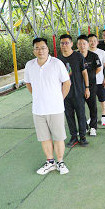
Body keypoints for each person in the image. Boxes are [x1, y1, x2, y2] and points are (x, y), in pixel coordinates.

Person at [24, 37, 70, 176]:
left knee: (58, 137)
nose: (40, 51)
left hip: (55, 109)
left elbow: (66, 83)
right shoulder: (30, 65)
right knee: (44, 138)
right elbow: (28, 83)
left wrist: (59, 99)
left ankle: (60, 162)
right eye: (37, 48)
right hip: (38, 110)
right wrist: (37, 97)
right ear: (33, 50)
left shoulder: (57, 63)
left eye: (43, 48)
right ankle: (50, 162)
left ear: (48, 49)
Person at [76, 35, 101, 136]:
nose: (82, 46)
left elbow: (99, 68)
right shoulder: (75, 56)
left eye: (84, 43)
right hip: (78, 86)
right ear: (77, 45)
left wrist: (91, 76)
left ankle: (93, 127)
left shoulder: (94, 56)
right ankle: (84, 127)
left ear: (87, 44)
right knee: (80, 108)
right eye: (80, 44)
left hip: (91, 86)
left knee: (92, 107)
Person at [87, 33, 105, 126]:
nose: (92, 43)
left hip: (100, 81)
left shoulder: (102, 52)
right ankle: (93, 117)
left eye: (94, 41)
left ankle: (103, 116)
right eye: (90, 41)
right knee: (90, 101)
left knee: (102, 99)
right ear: (88, 42)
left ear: (97, 42)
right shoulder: (83, 53)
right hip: (88, 82)